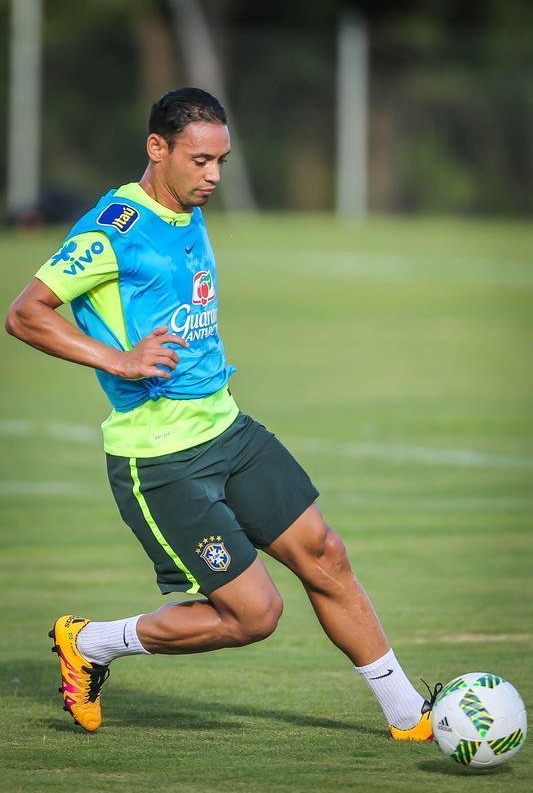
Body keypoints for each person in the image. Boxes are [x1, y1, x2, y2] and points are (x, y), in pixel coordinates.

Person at [6, 87, 439, 738]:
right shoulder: (109, 231)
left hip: (228, 429)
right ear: (157, 148)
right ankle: (91, 642)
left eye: (221, 161)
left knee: (325, 553)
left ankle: (410, 716)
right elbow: (24, 313)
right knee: (252, 614)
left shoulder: (187, 208)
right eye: (199, 160)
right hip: (160, 457)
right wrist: (117, 360)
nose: (211, 176)